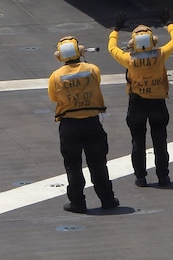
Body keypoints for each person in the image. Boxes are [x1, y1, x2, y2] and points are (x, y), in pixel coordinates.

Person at [47, 35, 119, 213]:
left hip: (69, 126)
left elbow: (53, 97)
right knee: (98, 164)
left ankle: (78, 202)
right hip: (92, 123)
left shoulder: (55, 76)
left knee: (73, 166)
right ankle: (107, 199)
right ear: (80, 51)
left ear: (59, 56)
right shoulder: (93, 69)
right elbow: (97, 82)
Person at [108, 13, 173, 187]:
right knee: (160, 142)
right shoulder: (160, 55)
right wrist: (169, 24)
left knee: (138, 142)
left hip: (137, 104)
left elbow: (112, 48)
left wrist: (115, 30)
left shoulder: (129, 59)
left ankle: (140, 177)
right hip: (158, 103)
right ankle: (163, 177)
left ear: (133, 43)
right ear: (153, 40)